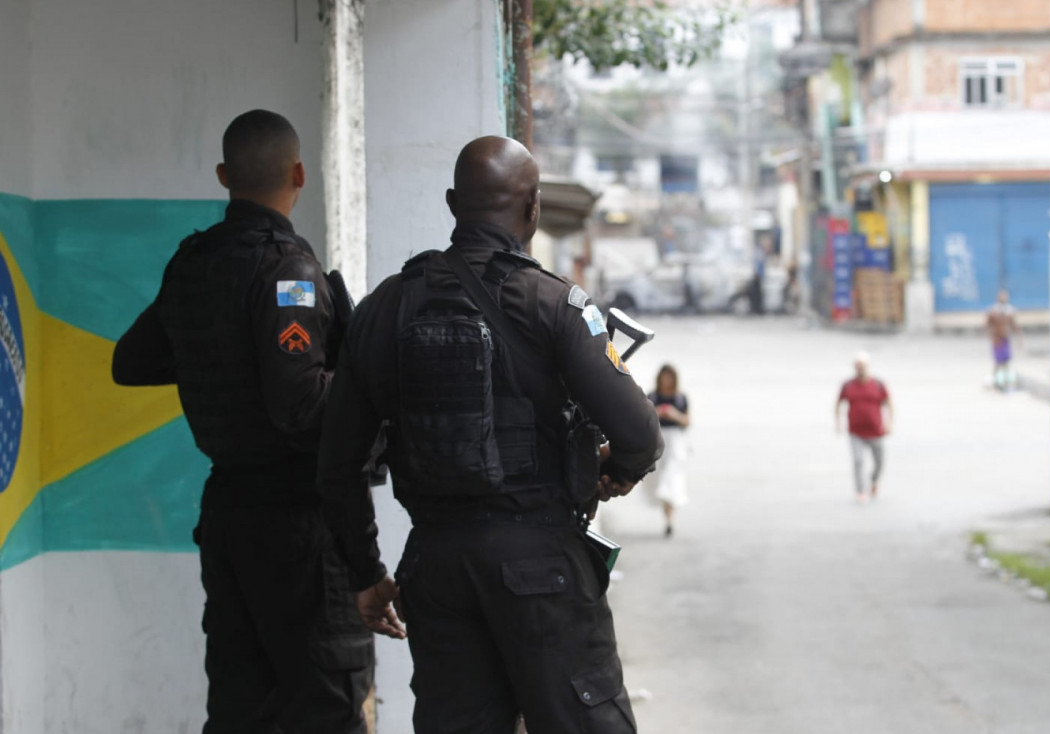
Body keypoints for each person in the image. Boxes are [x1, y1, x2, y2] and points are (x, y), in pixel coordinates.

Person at [317, 135, 663, 733]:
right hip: (543, 568)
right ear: (532, 209)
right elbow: (640, 433)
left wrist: (368, 573)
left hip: (436, 571)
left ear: (453, 204)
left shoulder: (383, 308)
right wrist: (618, 469)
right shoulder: (555, 304)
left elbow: (337, 463)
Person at [112, 110, 373, 733]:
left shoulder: (193, 262)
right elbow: (299, 407)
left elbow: (132, 361)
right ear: (300, 173)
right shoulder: (290, 272)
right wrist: (365, 382)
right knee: (329, 705)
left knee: (240, 707)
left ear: (225, 175)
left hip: (227, 515)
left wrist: (221, 356)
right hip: (298, 523)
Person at [835, 351, 892, 504]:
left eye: (862, 365)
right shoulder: (848, 385)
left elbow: (888, 404)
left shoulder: (878, 384)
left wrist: (889, 423)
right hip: (856, 432)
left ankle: (873, 481)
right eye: (857, 365)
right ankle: (860, 490)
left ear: (867, 366)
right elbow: (838, 403)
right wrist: (838, 423)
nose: (860, 368)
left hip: (875, 431)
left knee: (879, 462)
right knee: (858, 461)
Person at [646, 364, 690, 537]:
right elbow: (645, 418)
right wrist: (657, 413)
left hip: (675, 441)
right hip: (658, 438)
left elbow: (687, 420)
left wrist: (673, 414)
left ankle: (670, 519)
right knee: (658, 476)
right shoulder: (652, 396)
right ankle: (668, 516)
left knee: (671, 477)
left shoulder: (680, 398)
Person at [986, 289, 1021, 391]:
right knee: (998, 362)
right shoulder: (993, 311)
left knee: (1006, 362)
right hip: (998, 339)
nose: (1003, 298)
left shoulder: (1010, 311)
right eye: (1002, 296)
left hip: (1006, 338)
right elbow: (988, 326)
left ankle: (1005, 382)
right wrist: (992, 338)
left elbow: (1014, 325)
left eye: (1005, 296)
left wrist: (1019, 338)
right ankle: (996, 381)